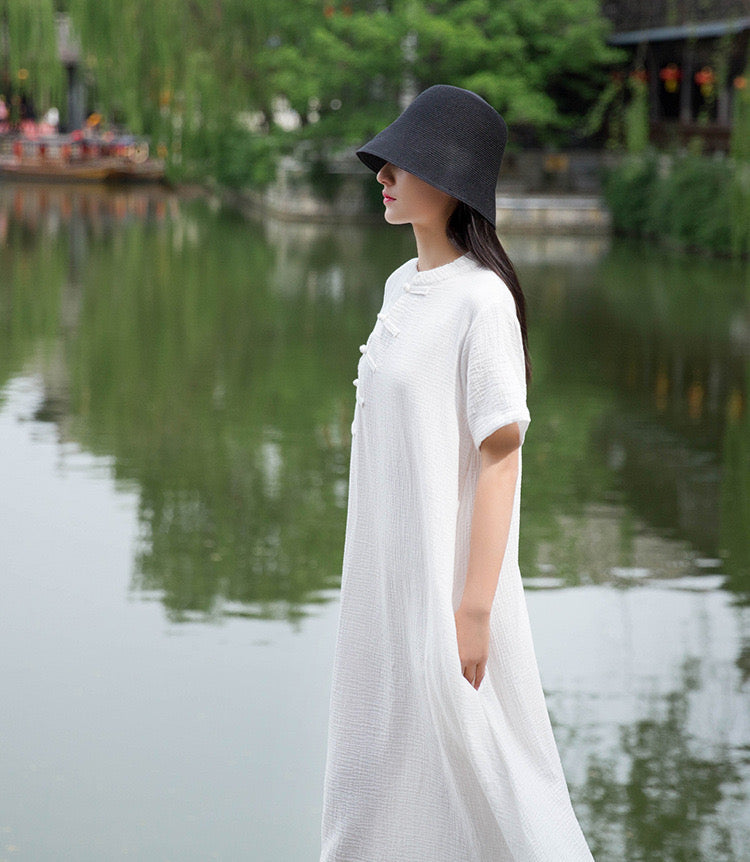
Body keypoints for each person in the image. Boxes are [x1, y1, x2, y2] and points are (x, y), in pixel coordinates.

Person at [320, 85, 594, 861]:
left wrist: (473, 609)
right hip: (385, 576)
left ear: (450, 178)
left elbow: (500, 452)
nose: (383, 176)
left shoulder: (482, 302)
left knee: (484, 766)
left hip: (450, 587)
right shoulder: (399, 287)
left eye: (401, 163)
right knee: (375, 757)